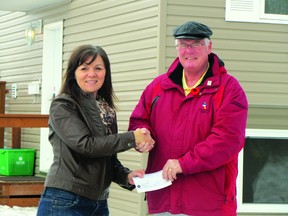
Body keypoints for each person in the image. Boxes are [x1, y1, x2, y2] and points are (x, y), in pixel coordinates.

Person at [128, 21, 248, 216]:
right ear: (177, 48)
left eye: (196, 44)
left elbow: (227, 140)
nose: (189, 50)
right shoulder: (159, 87)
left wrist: (183, 164)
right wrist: (142, 134)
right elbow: (138, 120)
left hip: (207, 204)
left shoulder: (229, 89)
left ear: (209, 47)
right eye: (183, 44)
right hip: (162, 200)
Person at [37, 44, 155, 216]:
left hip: (98, 203)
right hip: (65, 199)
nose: (91, 74)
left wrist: (126, 176)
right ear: (73, 73)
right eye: (84, 68)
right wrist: (132, 138)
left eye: (98, 68)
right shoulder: (63, 105)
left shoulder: (106, 109)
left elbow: (107, 156)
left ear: (105, 73)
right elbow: (86, 145)